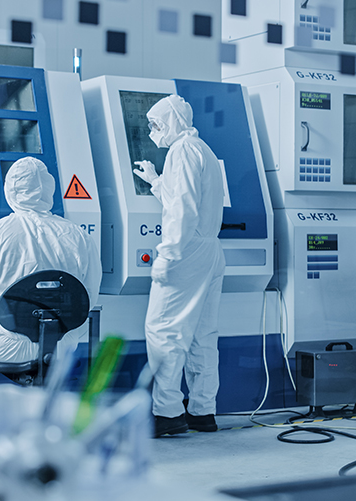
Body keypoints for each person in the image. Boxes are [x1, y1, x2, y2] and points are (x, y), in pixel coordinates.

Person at [0, 156, 102, 389]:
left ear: (10, 190)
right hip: (63, 344)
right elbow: (88, 300)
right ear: (49, 188)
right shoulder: (80, 236)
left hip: (8, 346)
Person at [132, 94, 226, 437]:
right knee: (202, 335)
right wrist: (156, 181)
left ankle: (168, 412)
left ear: (173, 120)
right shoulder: (203, 150)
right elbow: (186, 199)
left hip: (186, 251)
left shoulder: (182, 151)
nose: (154, 130)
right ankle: (203, 411)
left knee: (163, 330)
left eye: (157, 123)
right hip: (210, 250)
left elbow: (183, 210)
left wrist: (168, 253)